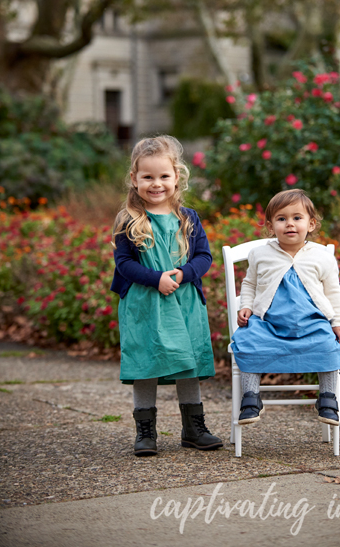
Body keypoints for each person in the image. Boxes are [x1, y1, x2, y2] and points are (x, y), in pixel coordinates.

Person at [110, 136, 223, 456]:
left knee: (188, 362)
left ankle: (193, 427)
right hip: (145, 304)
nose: (156, 184)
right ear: (134, 179)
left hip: (184, 301)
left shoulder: (188, 218)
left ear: (177, 177)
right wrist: (156, 278)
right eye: (148, 177)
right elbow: (124, 264)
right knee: (146, 362)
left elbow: (204, 257)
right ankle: (145, 431)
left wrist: (183, 274)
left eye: (163, 176)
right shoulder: (128, 219)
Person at [230, 188, 340, 426]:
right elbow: (250, 283)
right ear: (270, 226)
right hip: (269, 322)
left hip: (312, 322)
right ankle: (251, 398)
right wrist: (245, 305)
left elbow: (333, 292)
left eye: (297, 218)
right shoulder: (260, 253)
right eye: (281, 219)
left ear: (311, 223)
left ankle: (327, 398)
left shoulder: (322, 256)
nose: (290, 224)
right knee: (247, 340)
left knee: (328, 344)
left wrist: (337, 323)